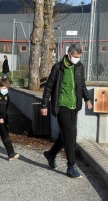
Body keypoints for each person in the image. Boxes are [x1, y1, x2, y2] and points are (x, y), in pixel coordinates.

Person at [41, 44, 93, 179]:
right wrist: (44, 105)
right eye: (75, 57)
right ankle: (71, 167)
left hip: (74, 106)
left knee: (67, 134)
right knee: (70, 135)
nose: (77, 59)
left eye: (79, 57)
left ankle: (51, 154)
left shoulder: (79, 67)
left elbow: (82, 85)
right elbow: (48, 87)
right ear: (69, 54)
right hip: (62, 105)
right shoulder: (58, 67)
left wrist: (87, 99)